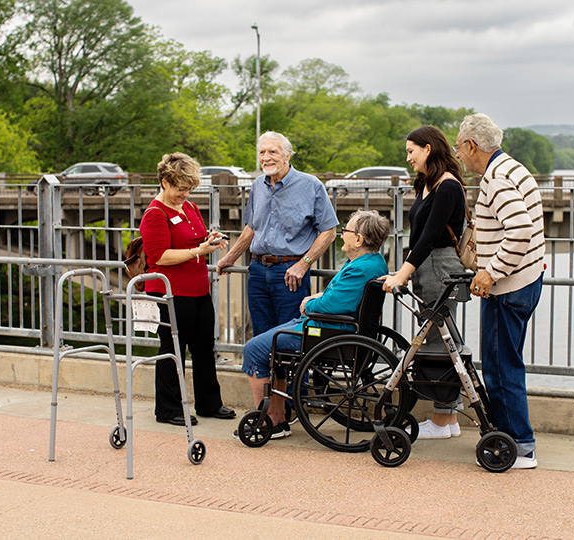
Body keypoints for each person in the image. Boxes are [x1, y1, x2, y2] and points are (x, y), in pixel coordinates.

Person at [237, 210, 390, 438]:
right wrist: (317, 298)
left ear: (359, 239)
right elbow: (339, 297)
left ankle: (269, 420)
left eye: (346, 231)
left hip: (328, 331)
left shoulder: (360, 267)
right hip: (335, 328)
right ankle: (277, 416)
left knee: (254, 348)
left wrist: (309, 304)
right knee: (270, 344)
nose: (341, 235)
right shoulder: (372, 262)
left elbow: (334, 304)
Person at [455, 113, 545, 469]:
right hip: (527, 277)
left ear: (472, 145)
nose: (459, 155)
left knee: (500, 365)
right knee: (507, 361)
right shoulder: (514, 168)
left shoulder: (496, 178)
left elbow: (519, 229)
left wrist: (491, 272)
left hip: (509, 285)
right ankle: (513, 439)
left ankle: (518, 446)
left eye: (460, 148)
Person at [380, 125, 466, 440]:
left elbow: (429, 237)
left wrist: (402, 274)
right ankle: (449, 418)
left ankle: (442, 420)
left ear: (427, 149)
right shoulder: (428, 185)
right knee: (441, 337)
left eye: (411, 151)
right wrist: (404, 271)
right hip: (428, 264)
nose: (408, 158)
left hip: (439, 265)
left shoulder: (447, 187)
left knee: (436, 339)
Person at [139, 152, 236, 426]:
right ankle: (168, 409)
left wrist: (210, 240)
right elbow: (158, 256)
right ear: (165, 182)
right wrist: (198, 251)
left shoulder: (189, 208)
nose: (185, 193)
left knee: (204, 347)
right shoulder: (155, 214)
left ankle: (209, 403)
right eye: (181, 189)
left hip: (197, 289)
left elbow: (194, 239)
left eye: (189, 189)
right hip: (170, 291)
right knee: (173, 349)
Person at [216, 131, 339, 336]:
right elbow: (251, 228)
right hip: (257, 271)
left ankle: (292, 370)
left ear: (287, 154)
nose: (266, 157)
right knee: (261, 336)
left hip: (290, 272)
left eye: (273, 151)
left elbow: (329, 232)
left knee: (290, 336)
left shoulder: (311, 185)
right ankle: (263, 370)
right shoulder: (257, 186)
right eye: (262, 152)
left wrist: (304, 263)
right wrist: (229, 258)